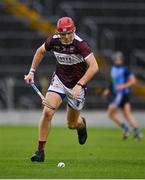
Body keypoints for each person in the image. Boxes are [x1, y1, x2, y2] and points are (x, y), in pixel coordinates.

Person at [24, 17, 99, 162]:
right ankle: (40, 152)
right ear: (58, 32)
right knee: (47, 112)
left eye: (68, 33)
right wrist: (31, 72)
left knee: (72, 124)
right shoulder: (53, 41)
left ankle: (81, 124)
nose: (65, 37)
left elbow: (94, 66)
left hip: (77, 84)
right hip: (59, 80)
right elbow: (40, 51)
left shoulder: (80, 44)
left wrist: (80, 85)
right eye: (62, 34)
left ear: (74, 30)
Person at [103, 52, 142, 140]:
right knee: (127, 114)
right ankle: (137, 132)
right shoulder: (113, 68)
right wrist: (108, 89)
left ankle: (126, 128)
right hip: (118, 94)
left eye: (118, 59)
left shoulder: (125, 69)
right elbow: (113, 81)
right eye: (115, 59)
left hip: (122, 94)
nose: (116, 60)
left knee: (110, 113)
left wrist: (123, 86)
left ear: (122, 60)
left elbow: (133, 81)